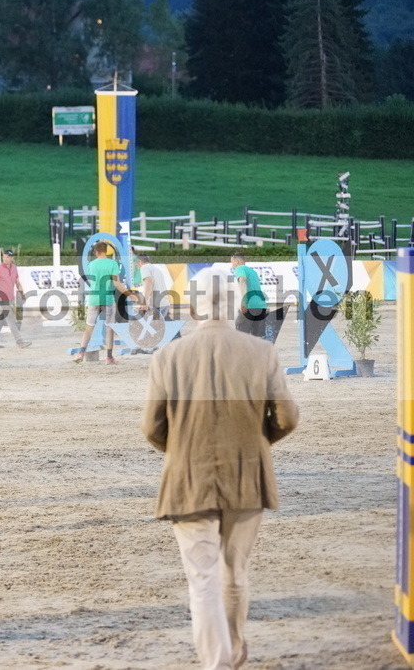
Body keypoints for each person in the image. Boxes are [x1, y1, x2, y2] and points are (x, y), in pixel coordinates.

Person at [141, 268, 299, 670]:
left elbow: (152, 428)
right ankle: (234, 648)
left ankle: (218, 662)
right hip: (247, 477)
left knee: (204, 580)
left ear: (193, 307)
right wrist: (256, 442)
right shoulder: (263, 353)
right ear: (236, 306)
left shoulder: (166, 357)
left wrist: (179, 450)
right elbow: (287, 417)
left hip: (187, 480)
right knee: (235, 572)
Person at [71, 241, 134, 365]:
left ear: (96, 252)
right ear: (106, 251)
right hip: (108, 299)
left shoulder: (91, 265)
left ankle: (81, 353)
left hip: (94, 299)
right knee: (109, 328)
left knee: (89, 328)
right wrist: (129, 294)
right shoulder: (113, 264)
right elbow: (116, 283)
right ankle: (109, 357)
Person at [0, 249, 31, 348]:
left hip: (11, 298)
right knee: (11, 320)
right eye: (4, 256)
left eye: (8, 257)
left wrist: (22, 293)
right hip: (2, 298)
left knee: (1, 321)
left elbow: (17, 282)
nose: (5, 258)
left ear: (12, 258)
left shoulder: (14, 268)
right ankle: (20, 342)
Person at [230, 252, 269, 339]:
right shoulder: (253, 272)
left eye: (232, 262)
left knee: (241, 337)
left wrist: (244, 301)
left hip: (249, 306)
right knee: (258, 339)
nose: (232, 265)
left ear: (237, 261)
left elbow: (243, 280)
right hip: (261, 307)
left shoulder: (239, 268)